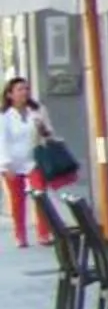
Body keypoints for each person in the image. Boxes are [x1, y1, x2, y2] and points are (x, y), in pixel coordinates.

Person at [0, 75, 62, 247]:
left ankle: (44, 233)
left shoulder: (38, 109)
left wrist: (43, 128)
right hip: (12, 162)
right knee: (17, 200)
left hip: (34, 160)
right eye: (20, 89)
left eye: (26, 89)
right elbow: (1, 141)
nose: (24, 92)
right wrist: (5, 165)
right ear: (10, 94)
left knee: (40, 194)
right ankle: (20, 235)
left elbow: (49, 133)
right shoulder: (4, 115)